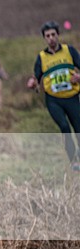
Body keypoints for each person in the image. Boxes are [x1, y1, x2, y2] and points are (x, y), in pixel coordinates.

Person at [26, 21, 80, 172]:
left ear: (58, 35)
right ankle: (73, 161)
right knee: (64, 127)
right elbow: (36, 78)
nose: (51, 38)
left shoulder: (69, 51)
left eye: (53, 35)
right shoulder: (41, 57)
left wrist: (79, 77)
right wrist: (32, 84)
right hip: (53, 100)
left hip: (72, 97)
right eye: (47, 36)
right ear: (44, 38)